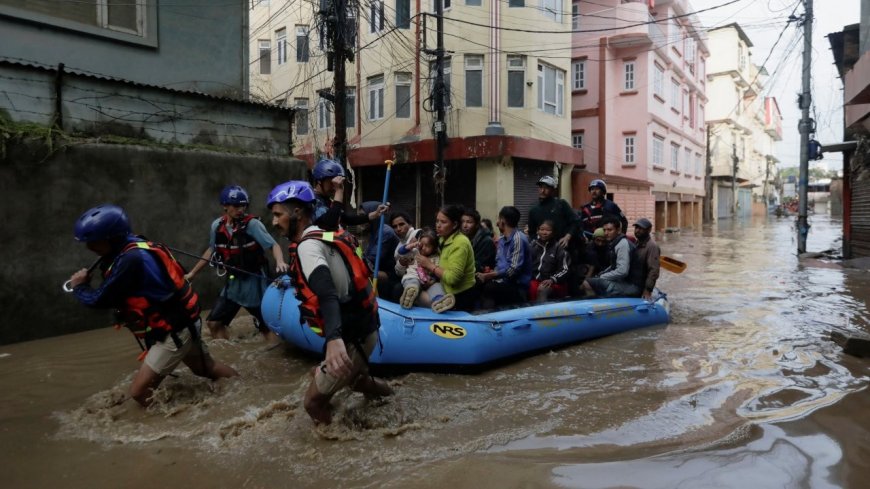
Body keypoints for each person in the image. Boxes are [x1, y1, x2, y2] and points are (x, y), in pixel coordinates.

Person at [67, 204, 238, 407]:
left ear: (112, 238)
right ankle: (243, 387)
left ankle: (177, 428)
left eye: (94, 243)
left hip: (174, 330)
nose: (90, 248)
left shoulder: (130, 260)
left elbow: (99, 299)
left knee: (139, 393)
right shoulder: (136, 245)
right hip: (183, 322)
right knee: (205, 369)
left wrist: (79, 287)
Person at [267, 180, 393, 425]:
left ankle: (340, 448)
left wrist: (334, 339)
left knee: (312, 403)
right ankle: (391, 397)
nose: (273, 222)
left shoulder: (308, 248)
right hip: (363, 326)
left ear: (297, 213)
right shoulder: (320, 230)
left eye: (277, 215)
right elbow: (335, 214)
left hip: (351, 335)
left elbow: (327, 293)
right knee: (359, 382)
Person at [184, 185, 288, 341]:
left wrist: (280, 261)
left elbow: (273, 245)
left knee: (268, 328)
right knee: (213, 323)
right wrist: (193, 273)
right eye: (236, 205)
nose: (240, 209)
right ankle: (230, 350)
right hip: (233, 286)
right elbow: (211, 250)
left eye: (243, 205)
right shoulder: (217, 226)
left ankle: (270, 352)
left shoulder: (253, 225)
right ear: (225, 206)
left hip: (255, 285)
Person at [415, 204, 478, 311]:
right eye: (437, 221)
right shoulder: (442, 239)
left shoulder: (460, 243)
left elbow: (453, 278)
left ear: (454, 225)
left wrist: (430, 265)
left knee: (416, 296)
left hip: (459, 296)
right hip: (443, 287)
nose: (438, 225)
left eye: (443, 222)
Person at [310, 158, 389, 231]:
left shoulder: (327, 200)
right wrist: (339, 191)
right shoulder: (312, 200)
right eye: (332, 183)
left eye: (337, 183)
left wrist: (375, 214)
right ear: (319, 181)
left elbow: (346, 219)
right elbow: (330, 223)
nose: (335, 187)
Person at [476, 206, 531, 308]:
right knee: (476, 283)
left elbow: (513, 270)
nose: (497, 223)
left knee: (489, 288)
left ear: (502, 221)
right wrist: (488, 272)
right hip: (502, 282)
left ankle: (488, 318)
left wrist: (490, 276)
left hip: (517, 287)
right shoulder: (501, 239)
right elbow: (499, 263)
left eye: (498, 219)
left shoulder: (518, 238)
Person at [580, 216, 644, 298]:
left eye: (610, 230)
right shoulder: (616, 243)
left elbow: (622, 271)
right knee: (594, 280)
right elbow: (613, 266)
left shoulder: (622, 244)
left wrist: (602, 277)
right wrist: (601, 274)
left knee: (587, 283)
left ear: (618, 230)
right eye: (604, 230)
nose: (606, 233)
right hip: (626, 282)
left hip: (632, 286)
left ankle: (595, 307)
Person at [397, 228, 454, 312]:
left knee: (438, 287)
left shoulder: (436, 257)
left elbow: (437, 272)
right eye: (421, 244)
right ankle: (409, 294)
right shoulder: (415, 252)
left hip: (429, 282)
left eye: (427, 246)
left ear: (434, 248)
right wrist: (412, 245)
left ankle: (439, 302)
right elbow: (401, 251)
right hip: (414, 276)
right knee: (411, 282)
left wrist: (433, 281)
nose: (423, 248)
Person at [359, 200, 399, 298]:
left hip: (391, 274)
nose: (361, 220)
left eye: (363, 216)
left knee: (362, 272)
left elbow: (372, 259)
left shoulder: (385, 232)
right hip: (378, 270)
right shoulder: (373, 232)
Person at [527, 175, 580, 247]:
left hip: (563, 247)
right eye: (540, 187)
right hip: (544, 249)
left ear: (553, 190)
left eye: (546, 188)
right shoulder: (533, 210)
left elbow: (575, 222)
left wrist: (567, 237)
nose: (542, 191)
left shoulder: (561, 204)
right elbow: (532, 233)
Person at [528, 220, 570, 302]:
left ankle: (541, 313)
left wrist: (552, 279)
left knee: (542, 289)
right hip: (535, 280)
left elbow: (565, 269)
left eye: (548, 230)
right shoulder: (533, 245)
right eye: (542, 229)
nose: (544, 232)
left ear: (553, 232)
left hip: (554, 283)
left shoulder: (559, 248)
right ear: (537, 231)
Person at [632, 218, 661, 301]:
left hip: (641, 285)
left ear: (649, 230)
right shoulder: (637, 243)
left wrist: (647, 290)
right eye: (636, 228)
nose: (637, 230)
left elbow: (654, 270)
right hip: (634, 281)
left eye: (641, 228)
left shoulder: (652, 247)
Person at [460, 208, 496, 274]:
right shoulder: (463, 238)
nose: (464, 225)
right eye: (462, 222)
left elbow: (481, 266)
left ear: (477, 225)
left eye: (469, 222)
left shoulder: (487, 241)